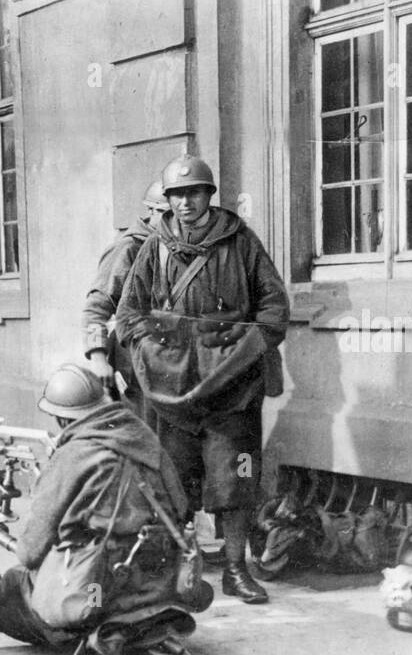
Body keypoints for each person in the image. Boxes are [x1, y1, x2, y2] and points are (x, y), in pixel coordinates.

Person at [115, 154, 289, 604]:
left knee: (235, 478)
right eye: (176, 195)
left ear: (210, 195)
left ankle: (235, 569)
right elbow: (128, 313)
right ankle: (180, 570)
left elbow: (274, 309)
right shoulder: (154, 247)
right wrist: (151, 352)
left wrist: (241, 346)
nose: (185, 203)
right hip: (170, 389)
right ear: (167, 201)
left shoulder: (242, 243)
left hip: (231, 387)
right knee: (174, 481)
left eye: (194, 193)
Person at [0, 364, 210, 655]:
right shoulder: (145, 439)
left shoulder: (74, 454)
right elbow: (181, 508)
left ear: (63, 417)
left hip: (97, 587)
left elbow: (29, 551)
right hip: (159, 581)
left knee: (13, 589)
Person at [81, 179, 169, 412]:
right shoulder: (128, 248)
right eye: (167, 214)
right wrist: (98, 359)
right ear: (151, 211)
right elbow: (95, 308)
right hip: (131, 364)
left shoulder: (176, 248)